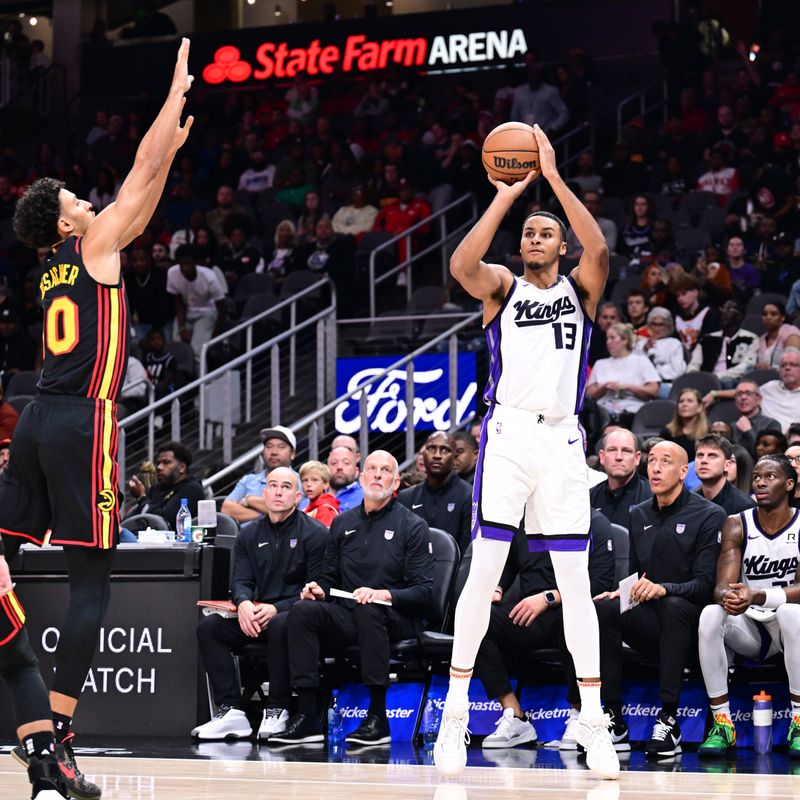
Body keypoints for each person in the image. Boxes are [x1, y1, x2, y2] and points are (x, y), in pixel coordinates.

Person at [0, 38, 194, 799]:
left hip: (37, 418)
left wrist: (171, 153)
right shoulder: (93, 242)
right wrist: (170, 104)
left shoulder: (59, 260)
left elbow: (142, 199)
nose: (91, 201)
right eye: (79, 200)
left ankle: (34, 732)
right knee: (91, 584)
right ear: (65, 220)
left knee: (4, 560)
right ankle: (63, 732)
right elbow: (139, 176)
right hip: (82, 423)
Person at [433, 124, 620, 780]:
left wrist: (553, 176)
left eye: (546, 232)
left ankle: (594, 724)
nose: (534, 238)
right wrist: (507, 197)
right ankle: (456, 714)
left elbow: (597, 245)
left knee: (575, 581)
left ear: (561, 245)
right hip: (508, 436)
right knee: (482, 575)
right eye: (528, 232)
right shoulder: (503, 289)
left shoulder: (583, 288)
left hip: (564, 439)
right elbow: (459, 266)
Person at [272, 450, 434, 746]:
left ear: (396, 481)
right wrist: (317, 589)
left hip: (395, 617)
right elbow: (329, 578)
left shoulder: (412, 526)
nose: (376, 475)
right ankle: (308, 716)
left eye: (385, 470)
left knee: (369, 609)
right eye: (371, 469)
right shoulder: (342, 523)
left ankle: (378, 717)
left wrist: (383, 593)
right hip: (349, 614)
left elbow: (425, 592)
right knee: (302, 611)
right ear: (361, 478)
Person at [594, 441, 725, 757]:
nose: (655, 467)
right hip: (653, 619)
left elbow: (706, 586)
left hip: (693, 624)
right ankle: (613, 717)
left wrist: (665, 588)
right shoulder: (638, 514)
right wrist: (624, 592)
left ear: (683, 472)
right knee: (603, 607)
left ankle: (669, 718)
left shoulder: (710, 514)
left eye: (665, 462)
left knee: (672, 605)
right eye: (651, 460)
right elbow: (640, 576)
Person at [193, 468, 328, 742]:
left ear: (298, 496)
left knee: (281, 622)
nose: (278, 492)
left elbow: (316, 590)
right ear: (263, 492)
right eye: (273, 486)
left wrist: (278, 608)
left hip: (294, 617)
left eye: (286, 487)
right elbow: (240, 579)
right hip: (257, 615)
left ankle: (277, 707)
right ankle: (231, 710)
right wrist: (242, 604)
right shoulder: (249, 533)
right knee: (209, 627)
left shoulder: (315, 534)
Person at [475, 511, 615, 750]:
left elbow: (600, 582)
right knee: (476, 619)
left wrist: (550, 597)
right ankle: (515, 714)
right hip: (530, 615)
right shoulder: (524, 520)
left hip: (570, 610)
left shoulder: (593, 521)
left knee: (574, 617)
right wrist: (497, 587)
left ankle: (579, 715)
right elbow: (509, 562)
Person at [697, 454, 800, 756]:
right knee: (710, 614)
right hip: (750, 626)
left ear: (790, 484)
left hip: (789, 627)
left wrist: (757, 595)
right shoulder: (736, 523)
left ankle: (798, 719)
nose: (760, 483)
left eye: (770, 477)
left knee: (791, 612)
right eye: (756, 477)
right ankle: (723, 724)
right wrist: (730, 597)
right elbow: (720, 587)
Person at [398, 431, 472, 553]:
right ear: (423, 454)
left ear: (454, 457)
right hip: (413, 570)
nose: (437, 455)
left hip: (453, 569)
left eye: (445, 450)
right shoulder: (406, 497)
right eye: (431, 448)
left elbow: (467, 552)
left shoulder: (468, 496)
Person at [586, 322, 661, 426]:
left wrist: (626, 386)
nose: (608, 342)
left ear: (625, 340)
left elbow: (654, 390)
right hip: (603, 413)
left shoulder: (641, 361)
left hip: (632, 413)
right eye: (607, 338)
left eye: (612, 338)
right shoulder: (600, 364)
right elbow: (589, 394)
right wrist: (604, 387)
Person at [222, 426, 297, 523]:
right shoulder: (248, 480)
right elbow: (226, 509)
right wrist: (262, 514)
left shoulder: (301, 481)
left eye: (281, 447)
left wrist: (248, 501)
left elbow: (289, 512)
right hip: (246, 536)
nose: (274, 452)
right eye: (269, 446)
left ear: (292, 454)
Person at [166, 243, 226, 359]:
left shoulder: (209, 276)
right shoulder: (172, 273)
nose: (185, 268)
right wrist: (182, 328)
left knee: (196, 349)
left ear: (196, 263)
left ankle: (199, 375)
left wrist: (215, 336)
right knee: (177, 345)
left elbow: (222, 309)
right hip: (187, 311)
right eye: (182, 264)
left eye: (188, 264)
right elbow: (178, 303)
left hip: (208, 312)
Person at [128, 441, 205, 525]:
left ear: (182, 467)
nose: (159, 467)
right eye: (158, 463)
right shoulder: (156, 489)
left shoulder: (192, 489)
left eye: (166, 462)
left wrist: (141, 497)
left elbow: (164, 521)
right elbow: (135, 518)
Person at [590, 429, 652, 529]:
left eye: (626, 451)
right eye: (612, 450)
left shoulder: (653, 498)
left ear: (637, 458)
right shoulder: (589, 498)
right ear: (602, 457)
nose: (618, 457)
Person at [703, 379, 782, 458]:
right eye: (739, 394)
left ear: (759, 399)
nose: (743, 397)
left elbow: (769, 457)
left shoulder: (772, 424)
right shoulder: (731, 427)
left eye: (748, 393)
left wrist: (748, 431)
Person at [687, 300, 758, 387]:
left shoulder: (750, 338)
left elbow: (747, 365)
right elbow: (694, 363)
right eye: (723, 308)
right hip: (705, 380)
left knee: (727, 382)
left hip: (732, 380)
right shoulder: (707, 338)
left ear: (740, 316)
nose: (723, 312)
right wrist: (693, 376)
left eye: (729, 309)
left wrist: (717, 376)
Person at [694, 433, 755, 515]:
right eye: (700, 455)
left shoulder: (745, 506)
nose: (703, 460)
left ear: (727, 465)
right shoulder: (688, 501)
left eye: (712, 456)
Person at [637, 306, 686, 391]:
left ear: (668, 325)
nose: (657, 328)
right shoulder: (641, 344)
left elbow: (677, 371)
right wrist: (645, 350)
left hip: (665, 385)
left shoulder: (674, 343)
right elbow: (634, 368)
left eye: (661, 325)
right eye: (654, 324)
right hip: (642, 384)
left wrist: (655, 370)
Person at [659, 388, 708, 461]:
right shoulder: (667, 432)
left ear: (699, 407)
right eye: (681, 401)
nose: (684, 404)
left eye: (689, 401)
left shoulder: (708, 434)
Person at [760, 349, 800, 433]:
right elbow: (745, 392)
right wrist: (724, 392)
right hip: (768, 440)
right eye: (783, 365)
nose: (787, 368)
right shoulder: (768, 388)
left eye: (793, 364)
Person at [757, 301, 800, 370]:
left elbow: (792, 363)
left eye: (773, 314)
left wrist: (771, 369)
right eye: (765, 314)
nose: (768, 317)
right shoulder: (762, 338)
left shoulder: (791, 332)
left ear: (783, 317)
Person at [300, 460, 339, 527]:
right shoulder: (306, 509)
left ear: (326, 484)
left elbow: (325, 536)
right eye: (305, 480)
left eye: (315, 480)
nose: (309, 484)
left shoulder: (326, 510)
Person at [327, 445, 363, 512]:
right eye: (334, 463)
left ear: (356, 472)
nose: (339, 467)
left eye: (346, 463)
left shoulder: (366, 498)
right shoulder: (308, 502)